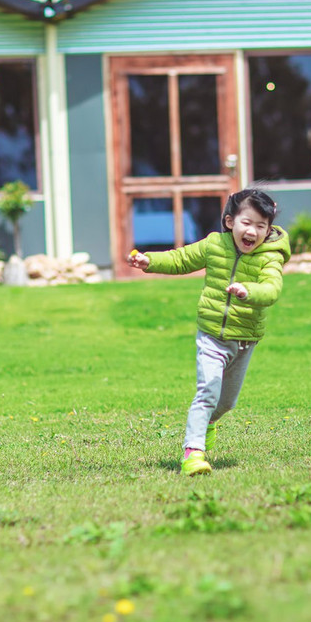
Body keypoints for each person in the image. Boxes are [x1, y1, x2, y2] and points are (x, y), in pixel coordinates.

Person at [128, 189, 291, 476]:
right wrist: (150, 261)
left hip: (245, 339)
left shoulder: (271, 257)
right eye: (247, 223)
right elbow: (181, 259)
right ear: (230, 221)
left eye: (261, 226)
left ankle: (209, 424)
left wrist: (247, 291)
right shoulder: (215, 245)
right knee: (207, 391)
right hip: (212, 335)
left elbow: (271, 289)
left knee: (226, 402)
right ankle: (193, 452)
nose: (252, 231)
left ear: (268, 230)